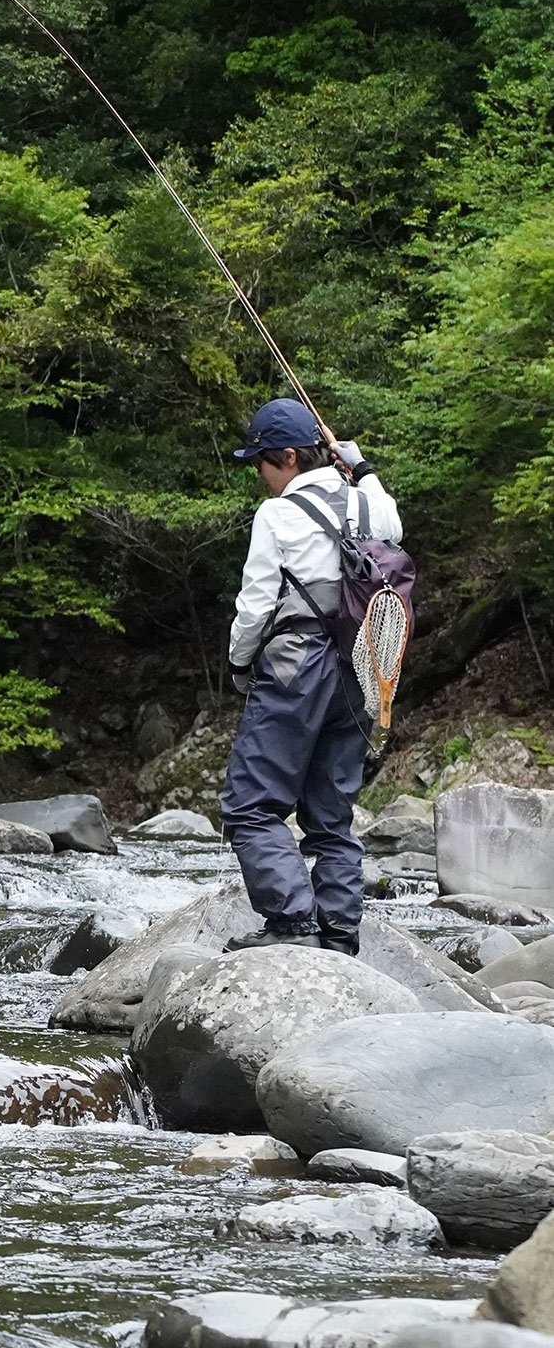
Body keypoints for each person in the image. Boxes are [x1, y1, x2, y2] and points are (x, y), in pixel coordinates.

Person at [220, 396, 402, 956]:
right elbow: (390, 514)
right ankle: (340, 934)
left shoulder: (275, 516)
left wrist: (237, 663)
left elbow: (255, 607)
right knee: (331, 813)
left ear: (290, 458)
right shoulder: (372, 506)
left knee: (251, 805)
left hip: (296, 667)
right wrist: (361, 464)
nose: (260, 476)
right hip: (363, 667)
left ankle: (293, 922)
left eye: (262, 464)